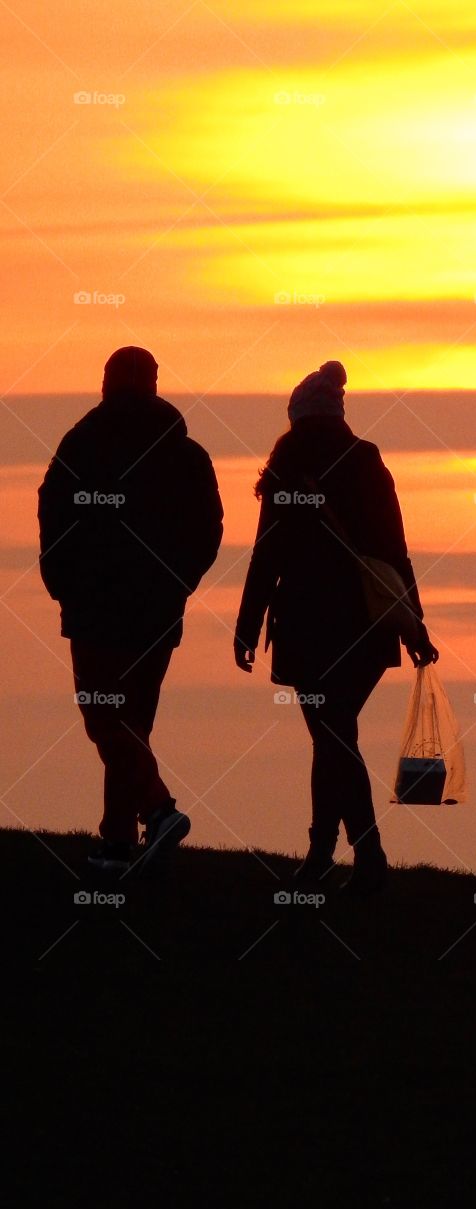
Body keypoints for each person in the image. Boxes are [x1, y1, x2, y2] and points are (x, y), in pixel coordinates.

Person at [234, 359, 438, 897]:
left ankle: (353, 855)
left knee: (331, 736)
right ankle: (334, 856)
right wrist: (415, 623)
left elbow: (266, 554)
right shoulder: (366, 462)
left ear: (297, 418)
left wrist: (246, 626)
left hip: (305, 624)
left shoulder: (288, 465)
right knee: (334, 735)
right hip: (367, 625)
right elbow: (395, 550)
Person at [38, 346, 223, 873]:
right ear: (153, 382)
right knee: (131, 723)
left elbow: (52, 515)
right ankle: (118, 843)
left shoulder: (82, 442)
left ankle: (159, 811)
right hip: (156, 611)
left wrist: (63, 584)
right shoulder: (186, 452)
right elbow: (208, 531)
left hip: (96, 607)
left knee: (104, 718)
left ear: (107, 382)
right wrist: (178, 585)